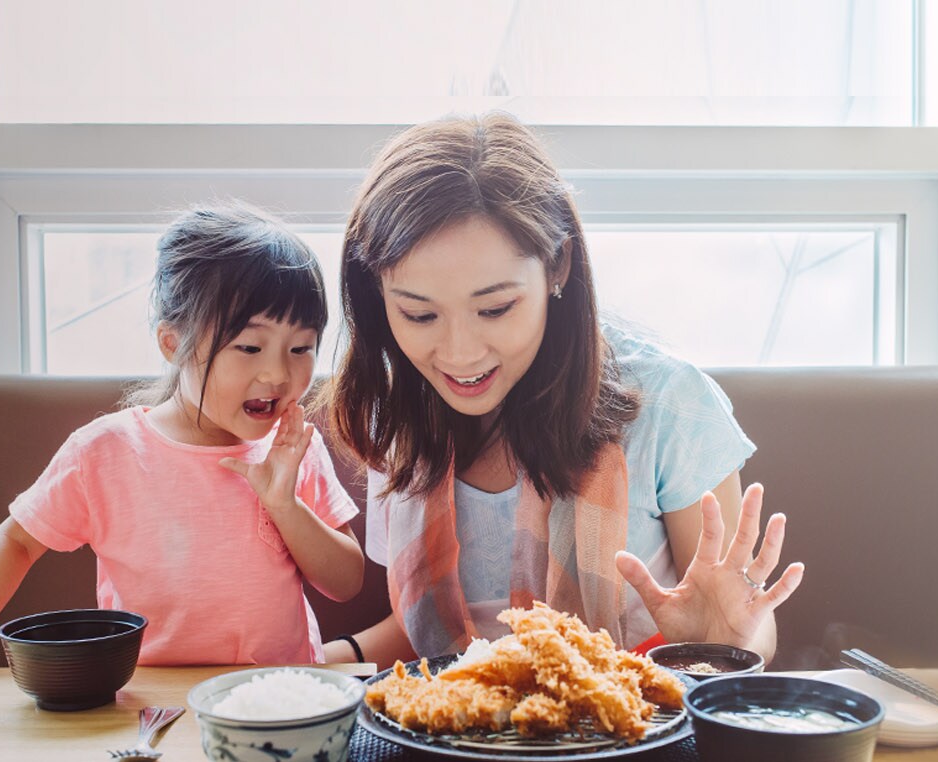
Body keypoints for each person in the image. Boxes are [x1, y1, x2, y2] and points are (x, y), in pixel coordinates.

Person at [315, 113, 806, 667]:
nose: (460, 353)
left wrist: (723, 644)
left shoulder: (671, 404)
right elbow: (425, 634)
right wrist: (305, 668)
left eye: (495, 308)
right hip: (454, 717)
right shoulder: (395, 414)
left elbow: (734, 617)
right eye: (419, 315)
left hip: (633, 712)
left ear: (559, 266)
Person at [0, 202, 367, 696]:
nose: (278, 373)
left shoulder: (293, 447)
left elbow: (346, 582)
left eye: (301, 348)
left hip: (276, 697)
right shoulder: (106, 451)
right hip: (147, 703)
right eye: (249, 347)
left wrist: (285, 505)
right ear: (173, 343)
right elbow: (17, 542)